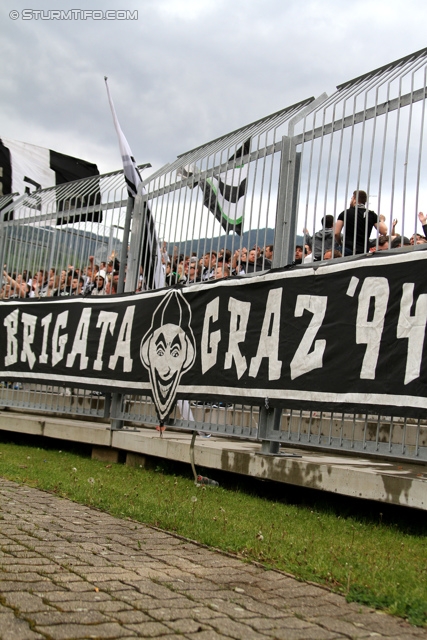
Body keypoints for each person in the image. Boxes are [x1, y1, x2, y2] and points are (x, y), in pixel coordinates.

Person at [335, 190, 386, 256]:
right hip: (363, 250)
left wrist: (341, 243)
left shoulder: (345, 213)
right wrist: (381, 219)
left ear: (354, 199)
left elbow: (336, 233)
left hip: (347, 248)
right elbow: (384, 231)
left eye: (351, 198)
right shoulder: (371, 214)